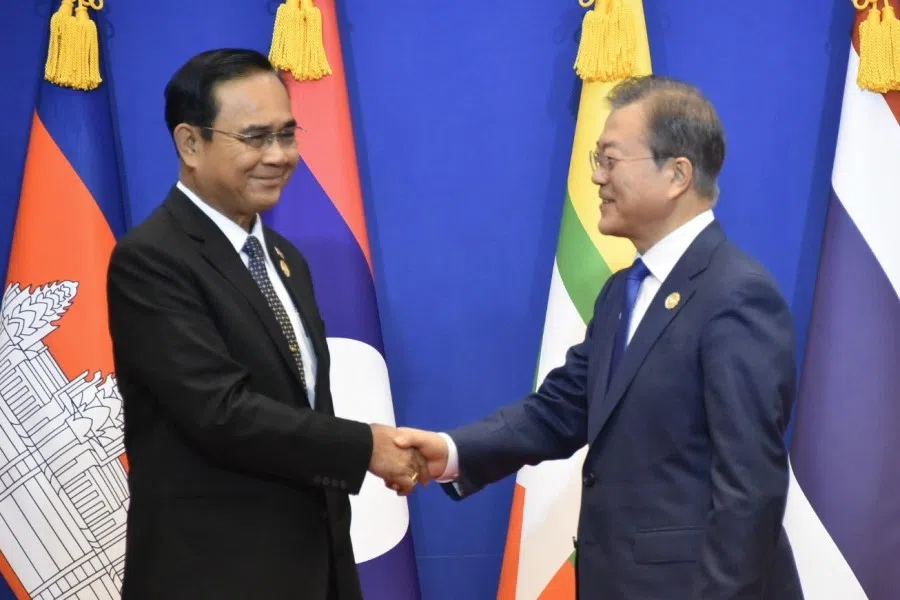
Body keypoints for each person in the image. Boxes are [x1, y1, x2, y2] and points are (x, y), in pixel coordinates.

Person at [395, 75, 804, 599]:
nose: (597, 177)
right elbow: (562, 409)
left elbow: (750, 487)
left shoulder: (736, 294)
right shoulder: (622, 291)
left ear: (677, 174)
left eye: (610, 160)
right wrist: (452, 451)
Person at [106, 48, 427, 600]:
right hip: (215, 577)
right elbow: (220, 412)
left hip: (314, 568)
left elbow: (300, 405)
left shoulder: (283, 257)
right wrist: (365, 448)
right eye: (255, 138)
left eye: (287, 134)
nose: (278, 156)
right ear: (190, 143)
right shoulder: (152, 259)